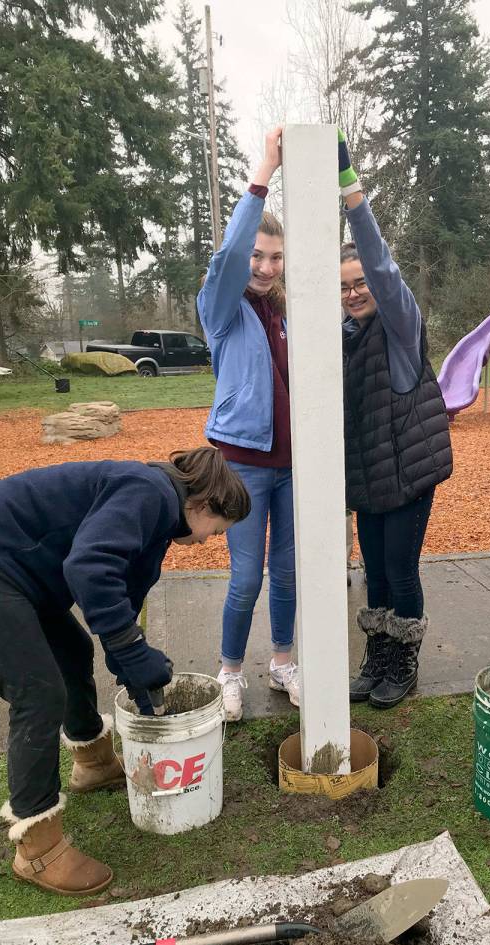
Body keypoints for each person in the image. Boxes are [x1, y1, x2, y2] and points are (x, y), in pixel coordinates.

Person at [0, 447, 251, 895]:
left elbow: (123, 594)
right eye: (217, 530)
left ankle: (94, 763)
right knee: (38, 694)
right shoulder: (150, 492)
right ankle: (37, 850)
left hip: (22, 571)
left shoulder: (162, 521)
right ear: (204, 505)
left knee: (73, 651)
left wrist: (130, 660)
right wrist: (131, 649)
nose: (210, 540)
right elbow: (89, 568)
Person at [338, 130, 453, 709]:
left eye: (360, 284)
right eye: (345, 287)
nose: (355, 292)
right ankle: (377, 656)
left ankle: (403, 659)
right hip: (369, 478)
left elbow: (381, 266)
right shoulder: (343, 339)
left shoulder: (400, 328)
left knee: (400, 573)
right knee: (374, 576)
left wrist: (351, 194)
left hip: (407, 474)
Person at [197, 128, 300, 721]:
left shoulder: (286, 310)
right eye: (257, 256)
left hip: (291, 466)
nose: (263, 266)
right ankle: (229, 673)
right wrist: (264, 171)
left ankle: (283, 662)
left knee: (286, 572)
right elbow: (229, 256)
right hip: (242, 463)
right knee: (246, 578)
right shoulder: (222, 307)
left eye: (274, 257)